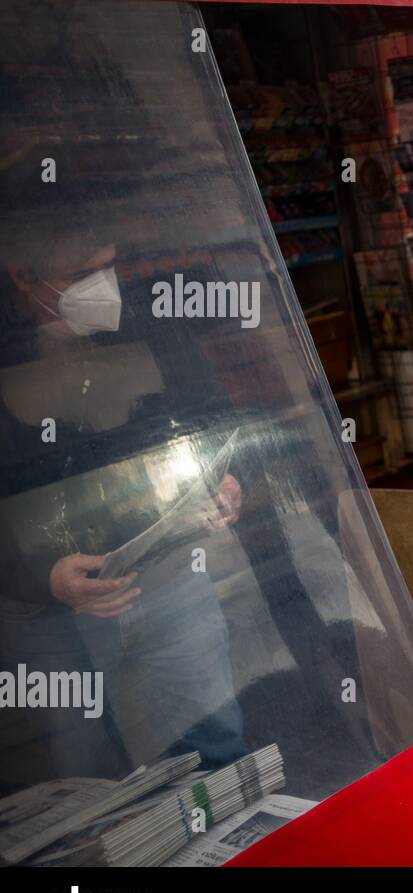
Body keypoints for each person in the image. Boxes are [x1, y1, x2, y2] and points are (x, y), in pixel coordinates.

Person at [0, 203, 249, 781]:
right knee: (76, 776)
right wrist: (40, 578)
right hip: (48, 612)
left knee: (214, 745)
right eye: (79, 277)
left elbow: (211, 415)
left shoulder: (147, 323)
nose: (101, 289)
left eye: (108, 267)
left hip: (166, 578)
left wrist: (227, 478)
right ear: (21, 275)